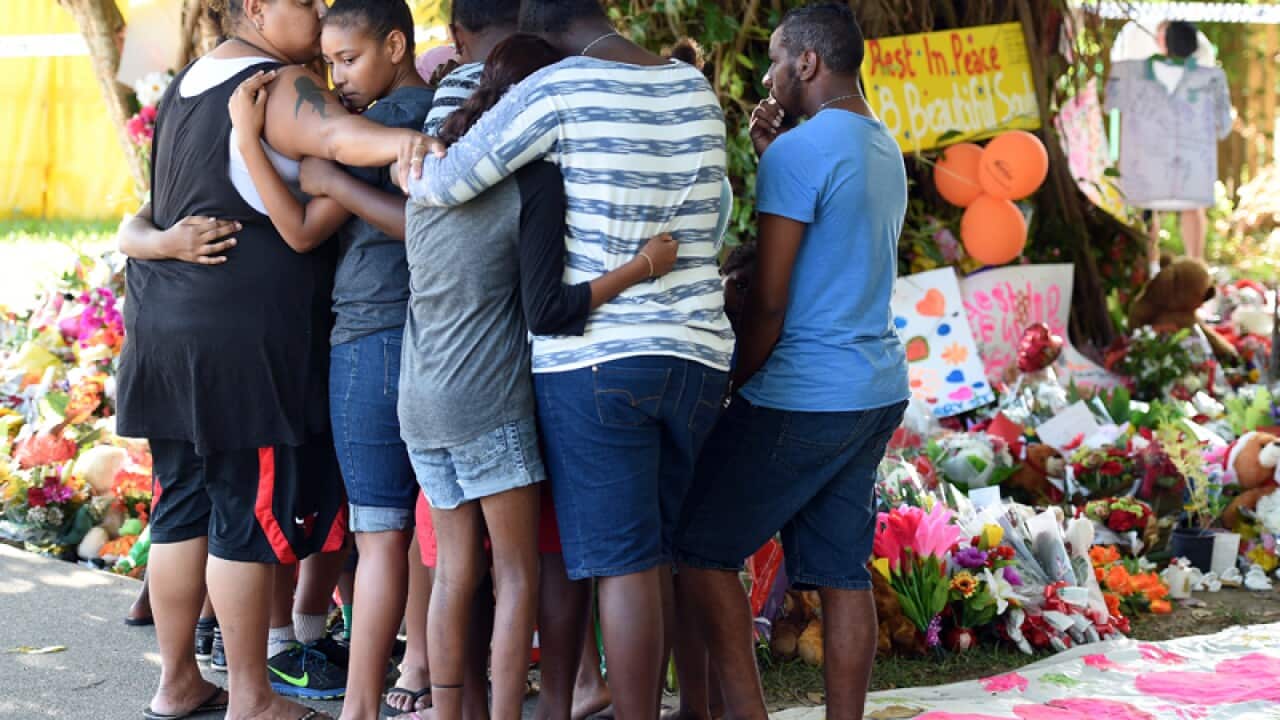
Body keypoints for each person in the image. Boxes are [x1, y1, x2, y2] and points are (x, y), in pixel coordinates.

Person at [398, 4, 732, 718]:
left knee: (624, 564)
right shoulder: (692, 87)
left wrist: (414, 164)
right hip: (697, 357)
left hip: (600, 363)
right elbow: (720, 214)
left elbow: (446, 184)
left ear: (543, 36)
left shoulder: (560, 86)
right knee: (664, 551)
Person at [117, 0, 426, 717]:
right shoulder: (274, 84)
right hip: (241, 340)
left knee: (181, 506)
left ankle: (177, 682)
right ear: (256, 8)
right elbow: (343, 137)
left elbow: (151, 207)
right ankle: (252, 696)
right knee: (241, 513)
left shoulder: (189, 81)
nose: (319, 12)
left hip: (167, 329)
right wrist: (412, 146)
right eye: (305, 2)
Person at [674, 5, 910, 720]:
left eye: (778, 62)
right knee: (841, 573)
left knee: (699, 546)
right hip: (875, 385)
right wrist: (782, 150)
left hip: (803, 390)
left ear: (807, 62)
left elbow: (768, 301)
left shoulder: (795, 154)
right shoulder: (882, 143)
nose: (770, 78)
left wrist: (731, 384)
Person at [225, 1, 434, 717]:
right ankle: (427, 674)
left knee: (379, 534)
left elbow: (303, 229)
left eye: (346, 59)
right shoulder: (435, 109)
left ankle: (361, 705)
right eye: (328, 61)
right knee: (425, 526)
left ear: (396, 44)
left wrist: (251, 143)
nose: (334, 77)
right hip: (434, 340)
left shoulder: (380, 130)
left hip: (372, 336)